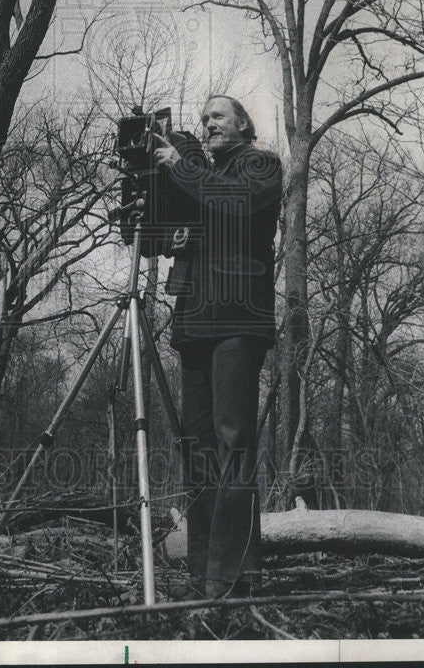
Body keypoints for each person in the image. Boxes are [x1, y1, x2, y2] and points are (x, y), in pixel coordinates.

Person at [153, 95, 282, 598]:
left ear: (243, 124)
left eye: (218, 117)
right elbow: (160, 237)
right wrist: (169, 222)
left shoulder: (259, 163)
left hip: (237, 319)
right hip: (194, 321)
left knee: (233, 441)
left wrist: (181, 166)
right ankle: (202, 568)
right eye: (204, 120)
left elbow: (236, 203)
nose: (208, 125)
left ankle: (236, 571)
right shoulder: (198, 174)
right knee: (199, 446)